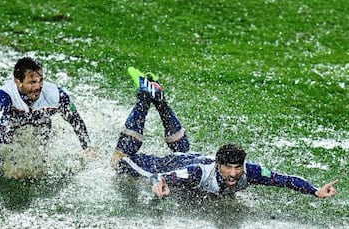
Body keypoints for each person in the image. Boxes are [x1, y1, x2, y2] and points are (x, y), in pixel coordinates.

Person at [111, 67, 338, 199]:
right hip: (174, 163)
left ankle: (158, 99)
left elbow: (284, 179)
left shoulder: (252, 171)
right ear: (219, 164)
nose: (233, 173)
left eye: (237, 167)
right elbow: (162, 176)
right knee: (120, 161)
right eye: (228, 167)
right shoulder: (196, 175)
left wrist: (315, 190)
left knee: (184, 150)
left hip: (191, 157)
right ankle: (145, 97)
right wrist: (158, 183)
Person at [0, 57, 91, 150]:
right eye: (32, 82)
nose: (38, 87)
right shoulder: (4, 96)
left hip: (38, 120)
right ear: (18, 82)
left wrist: (88, 149)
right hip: (11, 121)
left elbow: (76, 120)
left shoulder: (56, 95)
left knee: (42, 134)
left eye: (40, 81)